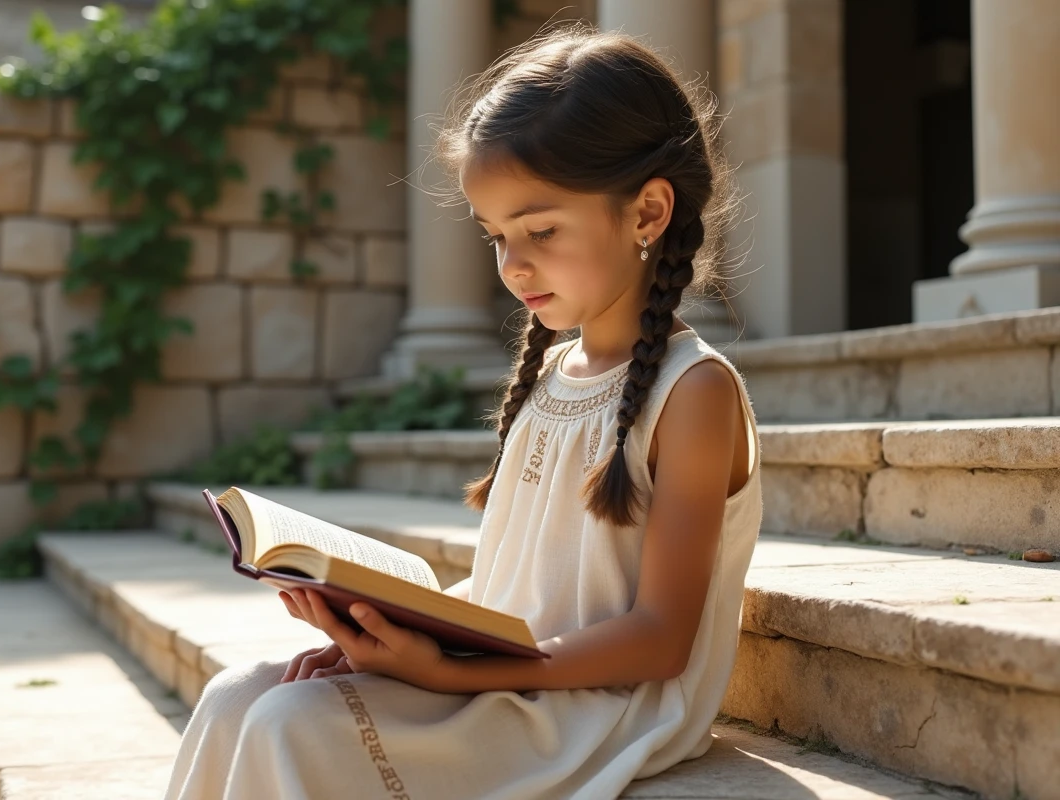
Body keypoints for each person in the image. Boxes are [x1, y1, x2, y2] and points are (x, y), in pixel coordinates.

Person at [165, 22, 761, 800]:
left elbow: (659, 640)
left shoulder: (695, 392)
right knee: (236, 694)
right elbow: (510, 594)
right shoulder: (554, 374)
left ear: (648, 213)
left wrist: (449, 674)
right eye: (496, 236)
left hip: (595, 705)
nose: (513, 264)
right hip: (506, 674)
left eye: (540, 230)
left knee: (291, 725)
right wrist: (385, 635)